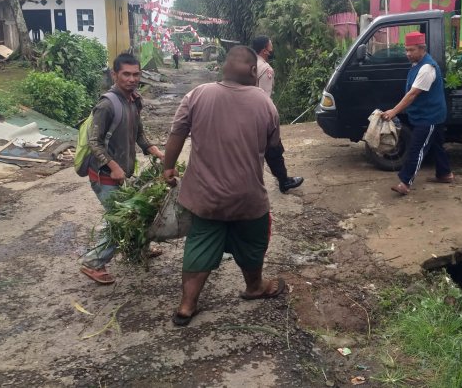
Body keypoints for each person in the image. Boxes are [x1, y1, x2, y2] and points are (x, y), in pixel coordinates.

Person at [163, 46, 286, 326]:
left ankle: (187, 305)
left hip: (205, 198)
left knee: (199, 243)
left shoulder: (198, 94)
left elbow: (177, 132)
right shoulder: (265, 103)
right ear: (254, 72)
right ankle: (254, 287)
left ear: (223, 68)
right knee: (253, 243)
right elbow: (272, 147)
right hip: (248, 197)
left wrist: (168, 167)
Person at [80, 52, 165, 285]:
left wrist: (155, 151)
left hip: (122, 174)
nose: (131, 79)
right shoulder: (106, 104)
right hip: (104, 175)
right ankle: (92, 262)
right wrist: (114, 166)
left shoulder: (135, 100)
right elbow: (93, 142)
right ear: (114, 74)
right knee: (123, 222)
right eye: (126, 74)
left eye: (136, 74)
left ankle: (138, 250)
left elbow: (139, 134)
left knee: (144, 210)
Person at [381, 32, 453, 195]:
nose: (408, 54)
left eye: (411, 50)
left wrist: (394, 111)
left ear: (422, 49)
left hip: (429, 116)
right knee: (436, 145)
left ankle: (405, 182)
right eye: (406, 50)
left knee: (416, 148)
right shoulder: (417, 64)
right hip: (431, 113)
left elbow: (413, 94)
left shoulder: (427, 68)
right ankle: (445, 174)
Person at [251, 36, 303, 194]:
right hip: (260, 116)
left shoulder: (249, 64)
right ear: (264, 50)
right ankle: (284, 181)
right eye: (270, 45)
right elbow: (264, 98)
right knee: (274, 149)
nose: (272, 48)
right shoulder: (266, 69)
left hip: (245, 114)